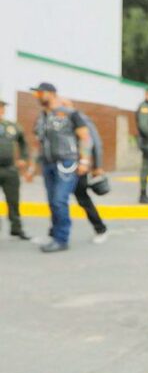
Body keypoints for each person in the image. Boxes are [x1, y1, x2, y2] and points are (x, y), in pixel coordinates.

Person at [30, 82, 92, 252]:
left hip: (66, 162)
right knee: (52, 202)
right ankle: (55, 234)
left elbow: (85, 137)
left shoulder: (70, 114)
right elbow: (37, 144)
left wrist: (84, 161)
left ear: (51, 93)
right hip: (48, 164)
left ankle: (61, 239)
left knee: (59, 200)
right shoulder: (41, 117)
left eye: (40, 93)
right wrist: (31, 168)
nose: (38, 96)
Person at [61, 101, 108, 244]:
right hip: (61, 166)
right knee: (57, 200)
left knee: (82, 199)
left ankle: (100, 229)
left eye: (64, 105)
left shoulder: (80, 119)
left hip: (78, 166)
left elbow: (95, 142)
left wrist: (97, 166)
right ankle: (56, 233)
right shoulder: (57, 120)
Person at [0, 98, 31, 240]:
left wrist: (23, 158)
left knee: (13, 201)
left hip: (10, 170)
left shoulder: (12, 126)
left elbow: (23, 143)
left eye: (1, 107)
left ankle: (16, 228)